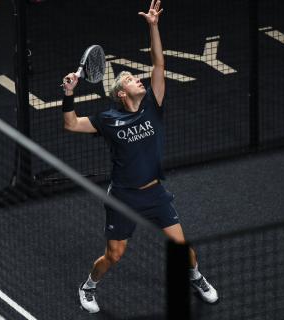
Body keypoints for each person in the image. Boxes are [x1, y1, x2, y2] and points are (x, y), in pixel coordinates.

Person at [61, 0, 219, 314]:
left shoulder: (152, 107)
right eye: (133, 80)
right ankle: (88, 287)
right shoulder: (107, 120)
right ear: (121, 92)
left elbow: (159, 65)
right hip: (123, 197)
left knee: (181, 248)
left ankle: (197, 277)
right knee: (114, 256)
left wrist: (153, 26)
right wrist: (68, 95)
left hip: (155, 192)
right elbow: (70, 124)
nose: (140, 80)